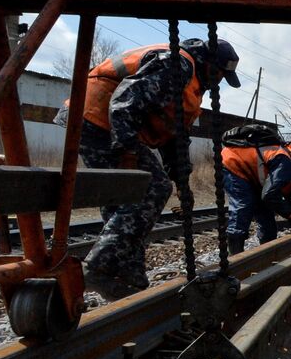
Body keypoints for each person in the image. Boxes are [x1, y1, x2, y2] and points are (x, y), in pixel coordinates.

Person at [73, 37, 240, 297]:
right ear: (209, 63)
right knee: (152, 187)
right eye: (219, 74)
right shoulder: (177, 65)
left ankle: (129, 276)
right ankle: (99, 266)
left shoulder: (188, 79)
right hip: (99, 120)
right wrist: (127, 151)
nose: (217, 82)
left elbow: (175, 139)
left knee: (126, 205)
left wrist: (183, 185)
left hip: (98, 122)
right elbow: (125, 100)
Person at [222, 139, 291, 254]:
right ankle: (234, 258)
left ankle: (267, 256)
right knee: (243, 206)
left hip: (254, 178)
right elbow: (270, 195)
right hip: (234, 163)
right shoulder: (286, 162)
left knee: (268, 221)